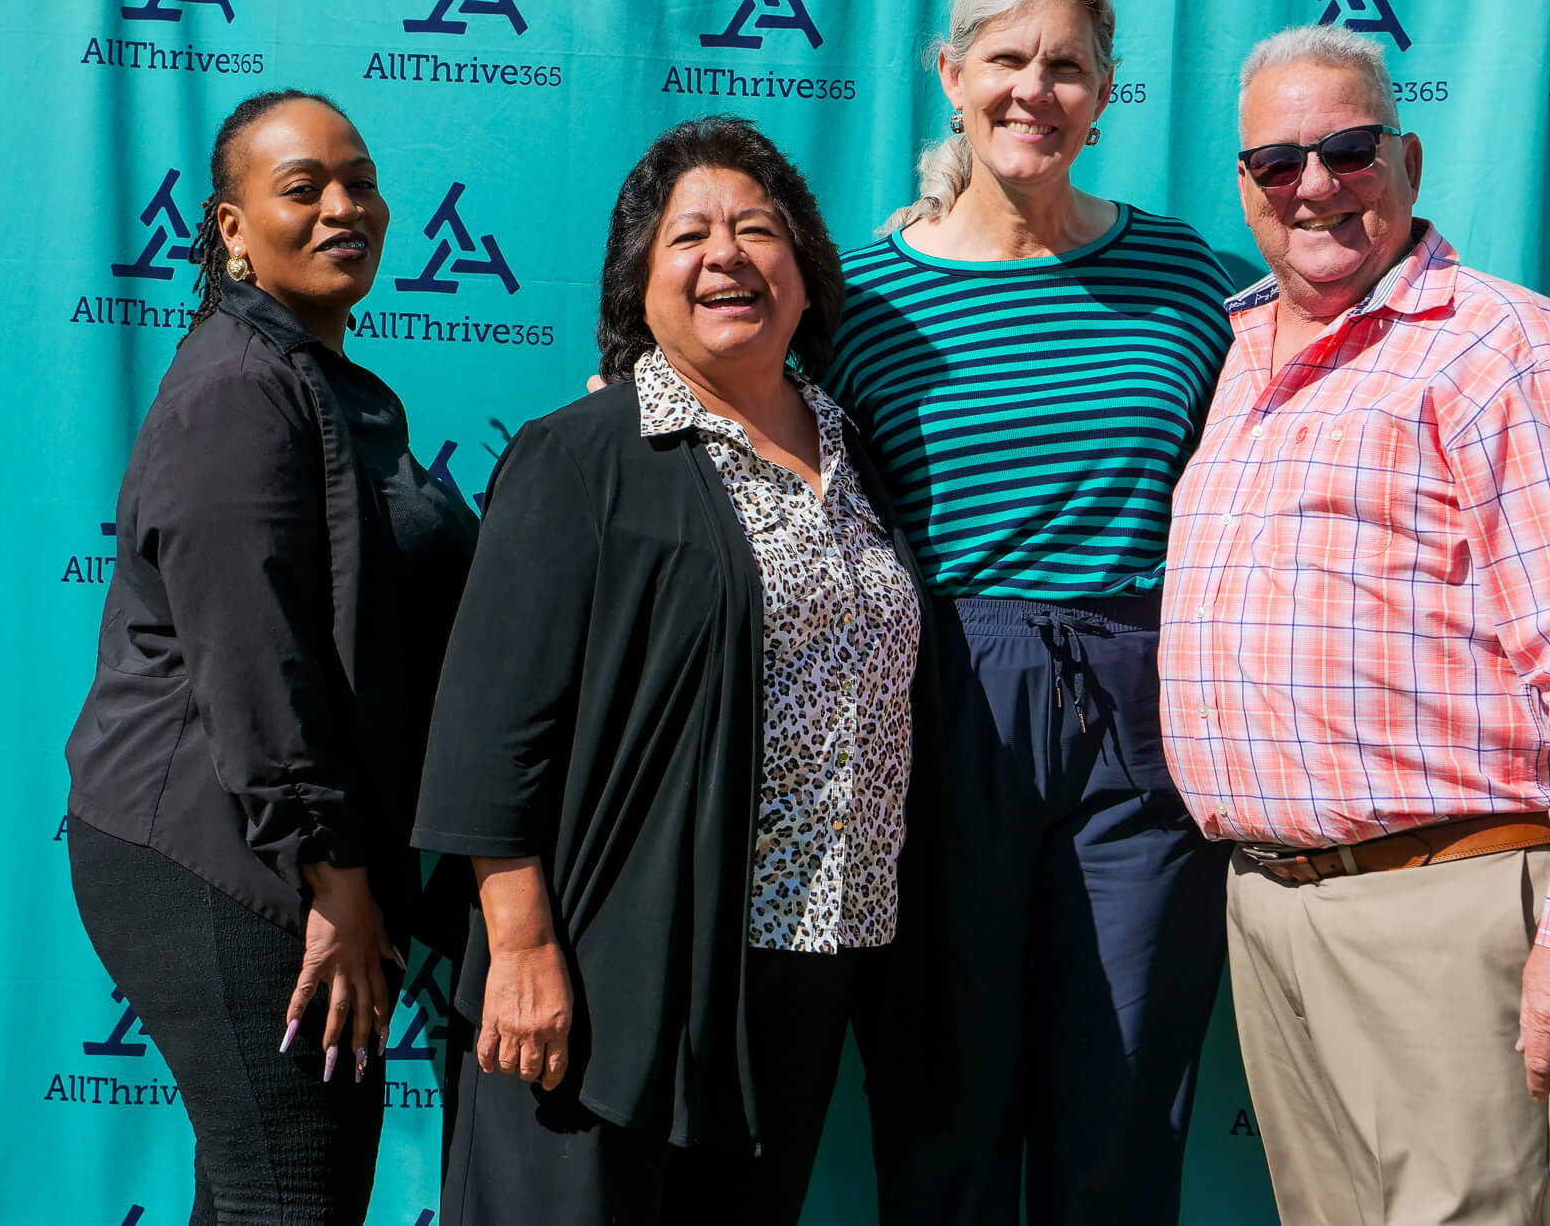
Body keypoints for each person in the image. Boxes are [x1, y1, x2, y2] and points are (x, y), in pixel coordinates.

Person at [1158, 26, 1550, 1226]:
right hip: (1270, 909)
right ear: (1242, 184)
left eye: (1346, 150)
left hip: (1445, 908)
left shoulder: (1501, 347)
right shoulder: (1234, 357)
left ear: (1405, 158)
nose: (1312, 185)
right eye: (1274, 162)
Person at [412, 116, 939, 1226]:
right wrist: (521, 945)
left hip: (809, 961)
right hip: (616, 968)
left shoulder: (857, 450)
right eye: (686, 236)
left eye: (758, 230)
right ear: (637, 284)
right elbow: (486, 729)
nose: (727, 255)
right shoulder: (585, 455)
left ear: (805, 275)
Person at [824, 0, 1235, 1226]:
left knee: (1121, 1104)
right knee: (942, 1105)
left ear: (1105, 92)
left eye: (1065, 65)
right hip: (939, 708)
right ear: (950, 76)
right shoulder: (858, 297)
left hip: (1142, 713)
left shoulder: (1190, 278)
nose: (1032, 90)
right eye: (1005, 60)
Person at [64, 90, 478, 1225]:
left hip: (285, 855)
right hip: (228, 859)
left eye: (360, 181)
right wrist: (333, 879)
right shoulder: (239, 390)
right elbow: (253, 660)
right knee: (293, 1188)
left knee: (261, 1187)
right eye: (302, 188)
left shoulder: (309, 378)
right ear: (231, 229)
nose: (345, 206)